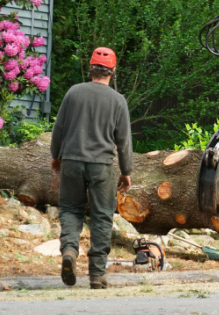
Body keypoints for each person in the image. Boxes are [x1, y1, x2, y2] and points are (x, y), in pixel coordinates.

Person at [50, 47, 132, 289]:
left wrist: (56, 156)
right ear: (113, 71)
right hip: (102, 166)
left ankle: (69, 252)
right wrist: (126, 172)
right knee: (102, 216)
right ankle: (96, 274)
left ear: (90, 68)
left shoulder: (74, 92)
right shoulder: (118, 100)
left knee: (70, 210)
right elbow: (124, 140)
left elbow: (59, 128)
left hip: (72, 162)